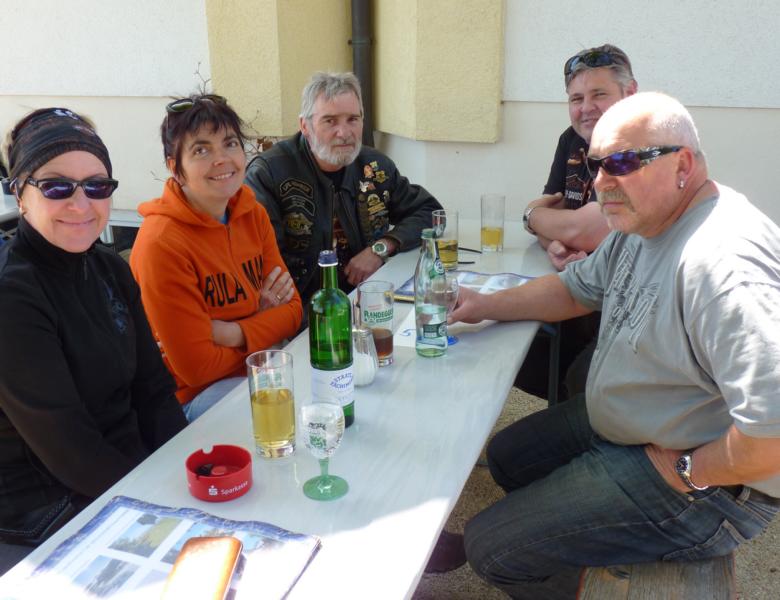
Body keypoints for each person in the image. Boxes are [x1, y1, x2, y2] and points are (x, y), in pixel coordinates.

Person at [449, 92, 780, 599]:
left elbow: (773, 437)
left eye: (622, 163)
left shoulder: (724, 267)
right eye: (596, 165)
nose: (602, 182)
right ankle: (593, 532)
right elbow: (573, 289)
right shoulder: (644, 221)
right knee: (509, 457)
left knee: (489, 549)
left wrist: (693, 471)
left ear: (682, 165)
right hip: (635, 424)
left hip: (701, 480)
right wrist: (483, 304)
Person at [0, 108, 187, 570]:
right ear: (20, 193)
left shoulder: (108, 268)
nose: (81, 205)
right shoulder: (12, 294)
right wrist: (165, 503)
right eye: (56, 187)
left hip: (127, 469)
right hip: (46, 503)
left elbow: (154, 390)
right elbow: (70, 448)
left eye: (97, 186)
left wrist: (188, 466)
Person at [131, 94, 302, 421]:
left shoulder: (252, 214)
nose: (221, 159)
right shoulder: (162, 243)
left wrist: (232, 332)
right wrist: (263, 322)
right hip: (193, 400)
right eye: (201, 150)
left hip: (258, 372)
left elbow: (293, 311)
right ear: (175, 168)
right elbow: (198, 368)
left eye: (230, 144)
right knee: (287, 412)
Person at [245, 71, 442, 306]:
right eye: (330, 121)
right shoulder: (269, 173)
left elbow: (430, 212)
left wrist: (380, 248)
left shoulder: (375, 165)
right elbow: (262, 259)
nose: (344, 133)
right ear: (305, 126)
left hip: (367, 296)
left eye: (352, 119)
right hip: (302, 308)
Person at [516, 44, 638, 402]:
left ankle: (591, 416)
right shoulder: (570, 141)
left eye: (599, 94)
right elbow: (558, 219)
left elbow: (583, 228)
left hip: (625, 302)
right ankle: (574, 413)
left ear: (630, 93)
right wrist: (553, 242)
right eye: (576, 98)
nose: (586, 108)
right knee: (514, 346)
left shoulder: (636, 146)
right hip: (579, 283)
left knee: (575, 373)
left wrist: (531, 215)